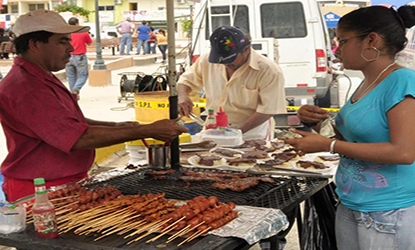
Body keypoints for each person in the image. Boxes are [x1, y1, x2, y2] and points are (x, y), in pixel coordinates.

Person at [0, 10, 187, 202]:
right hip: (39, 190)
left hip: (61, 182)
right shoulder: (26, 87)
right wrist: (145, 130)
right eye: (62, 41)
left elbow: (68, 122)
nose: (71, 48)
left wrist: (117, 126)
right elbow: (77, 137)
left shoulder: (39, 76)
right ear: (35, 45)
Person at [285, 6, 415, 250]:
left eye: (342, 41)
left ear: (371, 40)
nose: (337, 50)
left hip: (389, 209)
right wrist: (319, 124)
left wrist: (328, 145)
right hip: (352, 201)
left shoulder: (403, 81)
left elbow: (404, 152)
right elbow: (355, 141)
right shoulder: (366, 82)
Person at [177, 25, 286, 140]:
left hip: (251, 134)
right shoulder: (206, 61)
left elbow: (268, 110)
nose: (225, 64)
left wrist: (237, 132)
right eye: (221, 60)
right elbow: (186, 80)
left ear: (246, 49)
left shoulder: (269, 71)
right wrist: (183, 96)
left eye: (230, 60)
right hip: (213, 130)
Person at [65, 17, 92, 98]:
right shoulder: (83, 32)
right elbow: (89, 43)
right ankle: (76, 89)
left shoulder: (66, 32)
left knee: (71, 76)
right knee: (83, 75)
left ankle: (73, 95)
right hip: (80, 56)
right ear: (77, 23)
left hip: (68, 56)